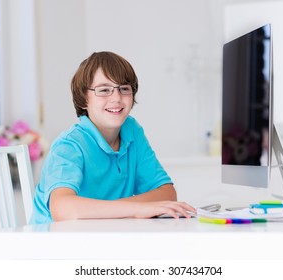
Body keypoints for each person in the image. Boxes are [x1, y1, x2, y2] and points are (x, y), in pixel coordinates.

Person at [30, 51, 196, 224]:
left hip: (104, 238)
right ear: (83, 99)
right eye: (104, 90)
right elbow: (63, 209)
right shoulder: (69, 144)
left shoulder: (132, 131)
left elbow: (167, 193)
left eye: (124, 89)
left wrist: (112, 210)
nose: (116, 98)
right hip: (55, 244)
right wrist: (136, 209)